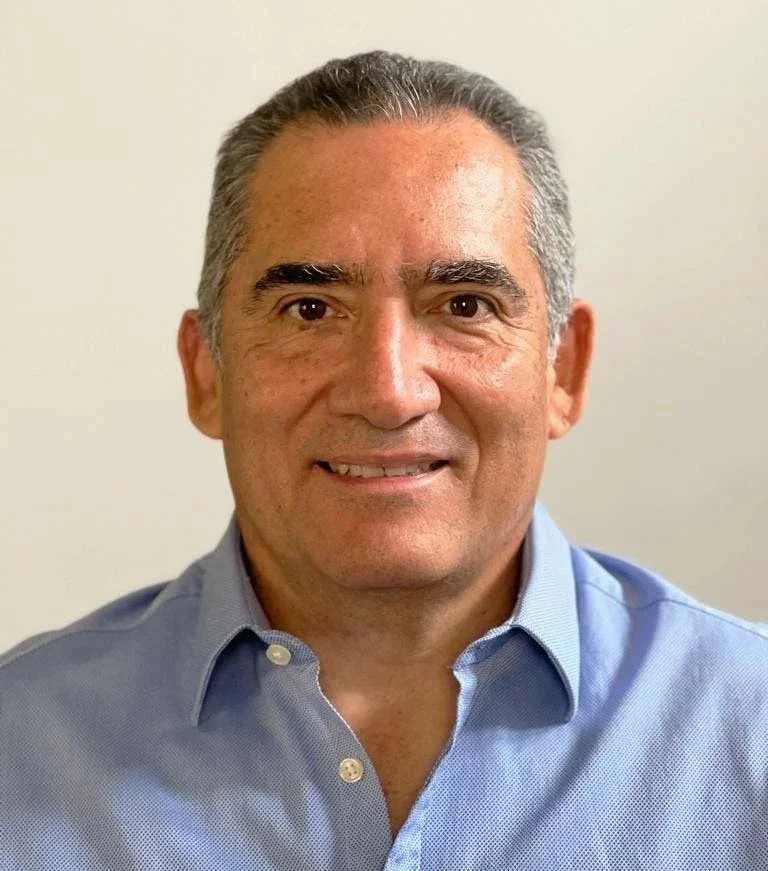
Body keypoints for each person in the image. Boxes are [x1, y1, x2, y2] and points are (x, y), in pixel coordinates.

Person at [1, 50, 765, 871]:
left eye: (464, 305)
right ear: (206, 372)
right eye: (311, 308)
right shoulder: (20, 747)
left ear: (563, 371)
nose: (389, 391)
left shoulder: (751, 730)